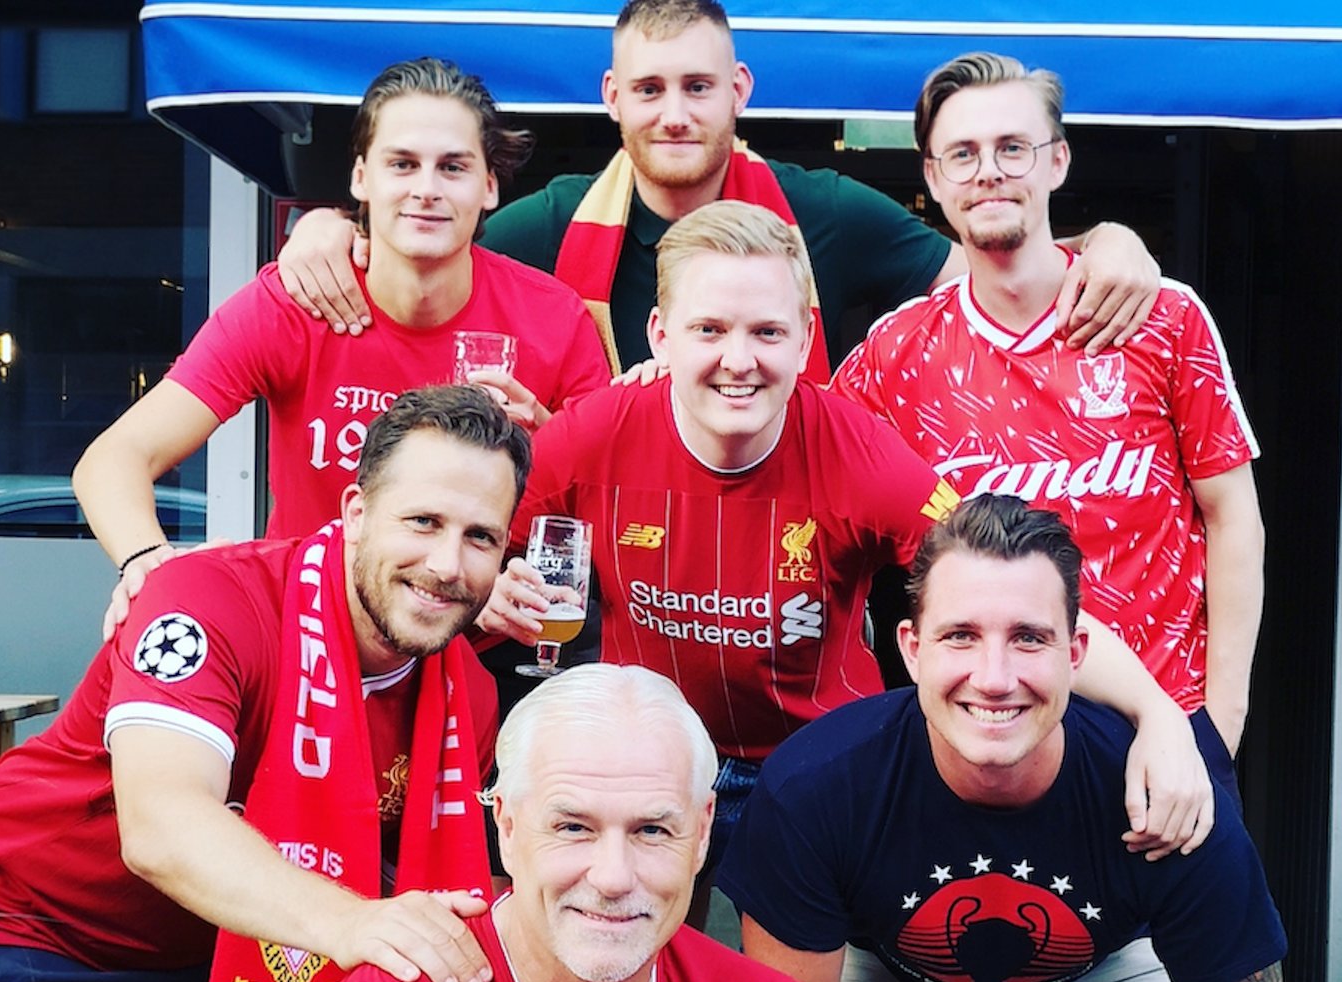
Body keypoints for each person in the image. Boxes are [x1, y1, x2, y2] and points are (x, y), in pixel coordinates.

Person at [476, 202, 1212, 924]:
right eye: (710, 330)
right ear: (660, 337)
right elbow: (459, 549)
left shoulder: (859, 453)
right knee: (636, 966)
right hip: (656, 757)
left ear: (805, 342)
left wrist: (1159, 713)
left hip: (815, 764)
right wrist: (490, 595)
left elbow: (1005, 587)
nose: (739, 360)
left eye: (767, 332)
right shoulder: (596, 432)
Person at [0, 386, 529, 982]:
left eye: (480, 537)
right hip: (28, 934)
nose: (447, 564)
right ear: (357, 513)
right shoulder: (209, 598)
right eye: (423, 521)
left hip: (217, 949)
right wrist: (354, 922)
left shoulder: (466, 695)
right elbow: (161, 826)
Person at [720, 494, 1303, 982]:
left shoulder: (1167, 789)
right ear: (911, 649)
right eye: (960, 636)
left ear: (1075, 652)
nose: (994, 678)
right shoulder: (816, 786)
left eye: (1028, 638)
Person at [277, 0, 1162, 373]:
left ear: (739, 91)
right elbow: (419, 257)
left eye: (698, 88)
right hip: (602, 598)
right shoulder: (552, 222)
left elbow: (994, 279)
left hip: (788, 594)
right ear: (612, 97)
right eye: (650, 90)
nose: (674, 115)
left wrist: (1105, 245)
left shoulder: (824, 210)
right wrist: (330, 230)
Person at [832, 52, 1264, 762]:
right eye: (963, 154)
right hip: (983, 742)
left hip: (1160, 741)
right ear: (933, 178)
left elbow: (1232, 516)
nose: (989, 171)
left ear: (1057, 161)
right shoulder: (895, 353)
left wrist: (1220, 723)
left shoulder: (1161, 317)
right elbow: (795, 469)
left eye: (1013, 148)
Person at [73, 57, 608, 628]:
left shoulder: (552, 318)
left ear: (489, 186)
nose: (426, 189)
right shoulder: (298, 300)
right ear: (360, 179)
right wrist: (149, 562)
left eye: (452, 167)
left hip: (486, 641)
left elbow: (613, 503)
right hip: (313, 634)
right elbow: (114, 458)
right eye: (402, 164)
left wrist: (547, 441)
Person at [290, 663, 865, 982]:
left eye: (652, 830)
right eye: (572, 828)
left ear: (702, 833)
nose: (613, 877)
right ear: (506, 827)